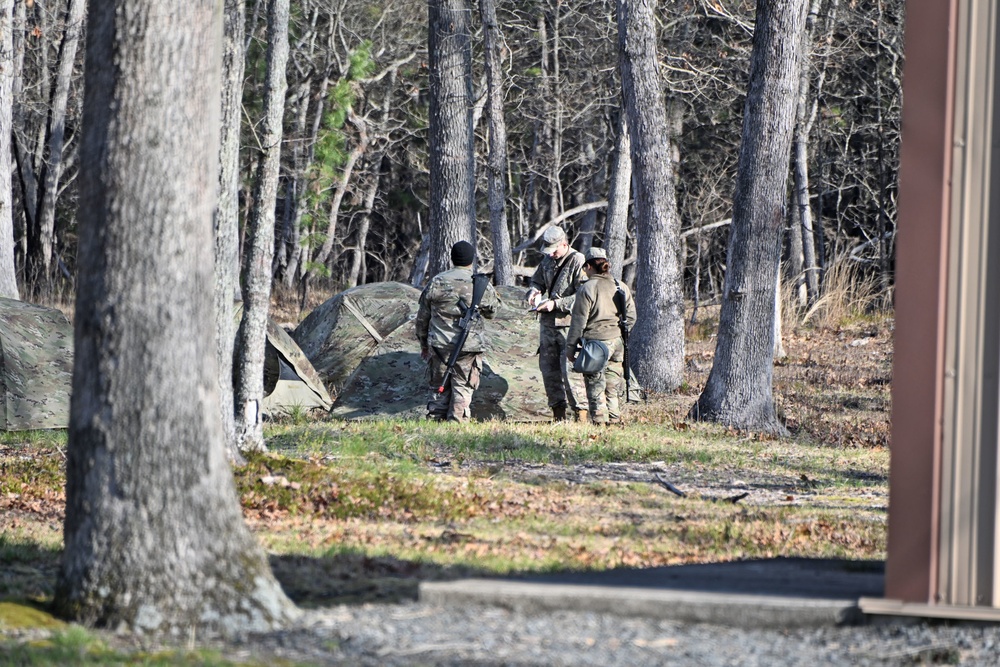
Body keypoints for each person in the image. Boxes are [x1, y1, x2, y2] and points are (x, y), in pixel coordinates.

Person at [415, 240, 499, 422]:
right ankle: (457, 427)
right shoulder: (479, 283)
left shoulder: (437, 282)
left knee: (438, 389)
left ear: (452, 259)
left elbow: (422, 318)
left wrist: (423, 344)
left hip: (439, 346)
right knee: (462, 389)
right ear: (472, 260)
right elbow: (493, 312)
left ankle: (436, 427)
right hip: (468, 348)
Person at [566, 247, 636, 425]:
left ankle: (599, 423)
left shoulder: (587, 288)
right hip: (617, 344)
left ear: (589, 267)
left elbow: (578, 322)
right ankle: (614, 421)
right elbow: (631, 316)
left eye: (584, 268)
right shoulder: (620, 286)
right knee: (612, 387)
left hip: (595, 345)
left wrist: (570, 349)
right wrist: (619, 334)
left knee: (595, 385)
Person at [525, 225, 588, 422]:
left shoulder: (578, 261)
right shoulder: (546, 260)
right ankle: (558, 416)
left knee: (571, 373)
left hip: (569, 327)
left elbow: (583, 295)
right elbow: (537, 281)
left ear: (564, 244)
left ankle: (581, 416)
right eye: (548, 251)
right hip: (547, 326)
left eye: (554, 250)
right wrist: (534, 291)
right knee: (548, 370)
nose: (551, 255)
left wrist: (556, 304)